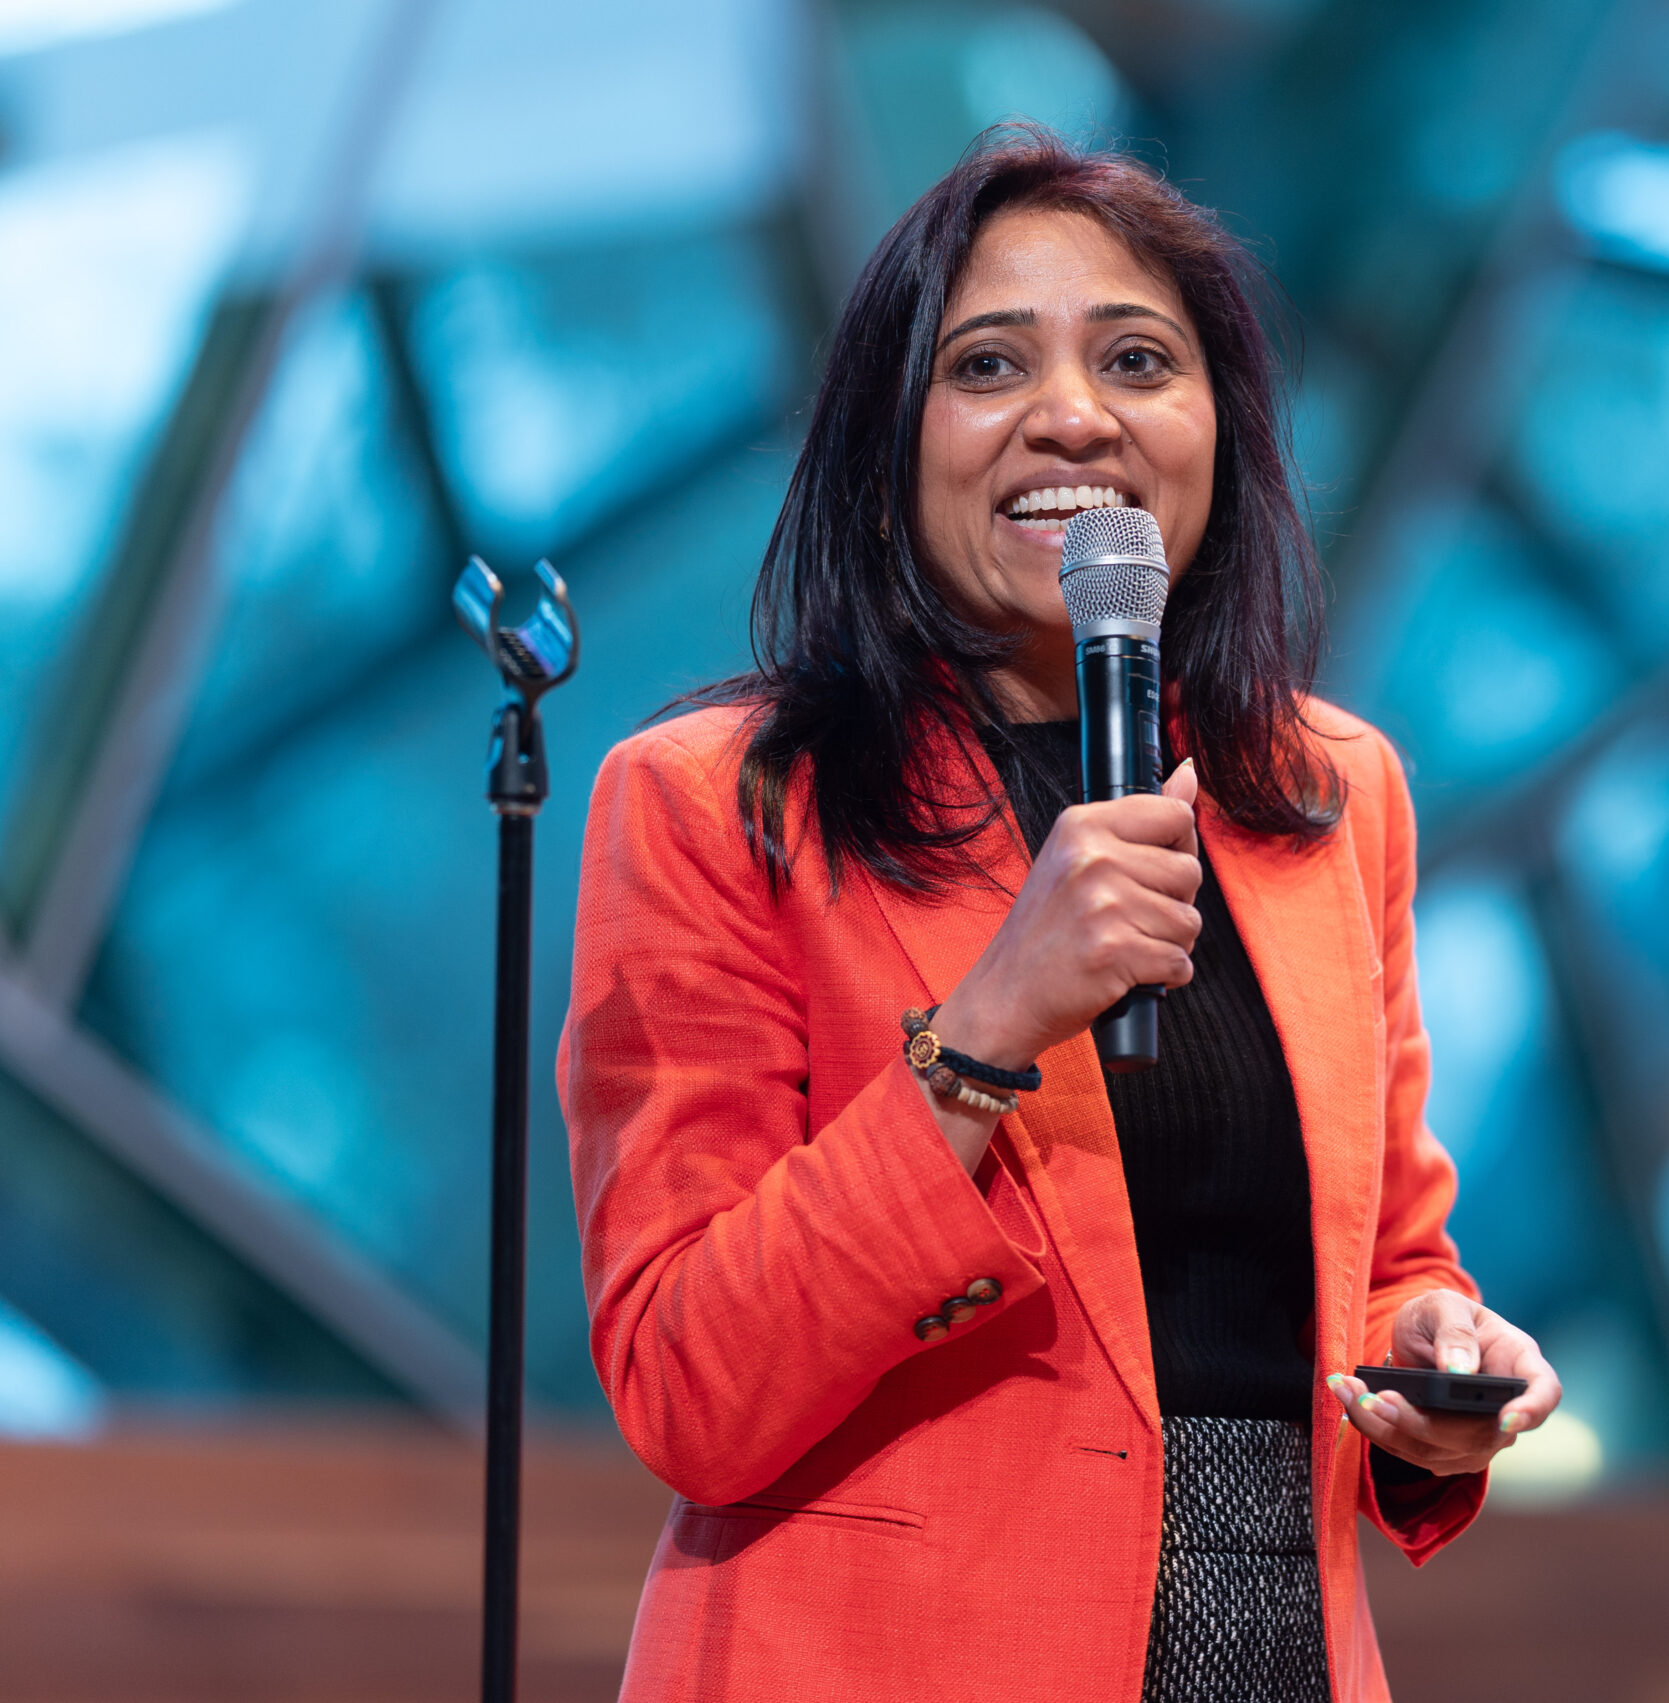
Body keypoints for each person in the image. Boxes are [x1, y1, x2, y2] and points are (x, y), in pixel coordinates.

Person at [558, 126, 1562, 1702]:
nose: (1075, 415)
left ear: (1222, 433)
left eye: (1139, 360)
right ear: (887, 451)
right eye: (988, 366)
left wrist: (1440, 1362)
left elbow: (1389, 1266)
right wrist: (985, 1032)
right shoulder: (716, 802)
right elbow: (689, 1385)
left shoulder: (1330, 795)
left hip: (1273, 1657)